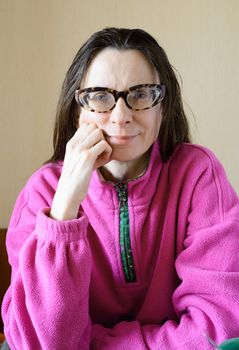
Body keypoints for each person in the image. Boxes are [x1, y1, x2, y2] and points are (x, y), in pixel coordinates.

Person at [1, 27, 239, 350]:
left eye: (140, 94)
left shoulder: (199, 175)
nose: (121, 115)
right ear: (77, 111)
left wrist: (93, 345)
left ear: (163, 106)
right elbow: (40, 343)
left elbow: (220, 328)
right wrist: (63, 210)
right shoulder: (41, 192)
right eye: (100, 97)